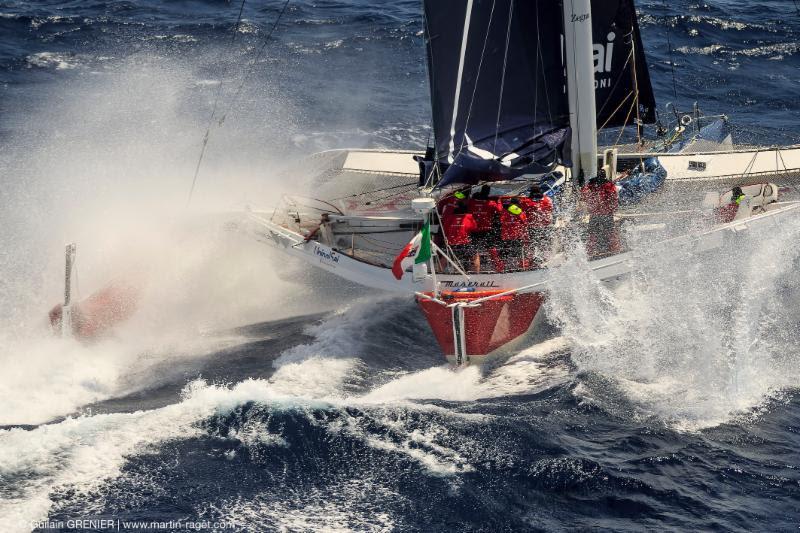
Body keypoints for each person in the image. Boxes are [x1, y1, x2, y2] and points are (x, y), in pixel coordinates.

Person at [580, 170, 620, 257]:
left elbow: (583, 195)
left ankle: (589, 251)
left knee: (592, 233)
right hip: (606, 213)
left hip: (595, 214)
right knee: (610, 232)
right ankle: (614, 248)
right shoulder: (609, 185)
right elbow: (614, 198)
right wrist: (613, 209)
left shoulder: (591, 186)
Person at [467, 185, 501, 272]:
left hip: (474, 231)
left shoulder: (471, 202)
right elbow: (499, 210)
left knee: (475, 251)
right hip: (486, 230)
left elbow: (465, 203)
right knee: (491, 249)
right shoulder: (491, 204)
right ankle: (499, 268)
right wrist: (499, 201)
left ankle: (475, 271)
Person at [519, 185, 554, 267]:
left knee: (531, 244)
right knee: (544, 243)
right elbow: (551, 209)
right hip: (546, 226)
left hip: (533, 227)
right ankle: (545, 259)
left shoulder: (527, 202)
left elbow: (521, 208)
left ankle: (532, 260)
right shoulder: (548, 200)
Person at [441, 201, 479, 272]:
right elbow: (475, 228)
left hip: (451, 244)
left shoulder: (450, 218)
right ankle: (477, 273)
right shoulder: (469, 217)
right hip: (465, 244)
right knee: (475, 256)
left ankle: (440, 272)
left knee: (444, 257)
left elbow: (445, 231)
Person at [495, 201, 528, 272]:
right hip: (516, 236)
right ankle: (522, 267)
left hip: (506, 237)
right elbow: (524, 222)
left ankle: (501, 268)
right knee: (519, 253)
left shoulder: (502, 213)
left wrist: (499, 201)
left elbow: (498, 212)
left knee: (504, 253)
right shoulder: (519, 212)